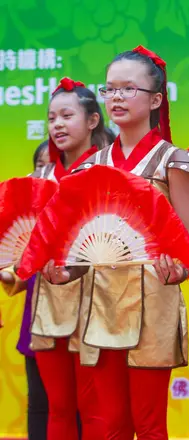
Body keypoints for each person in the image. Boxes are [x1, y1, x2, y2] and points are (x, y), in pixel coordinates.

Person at [43, 46, 189, 440]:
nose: (117, 97)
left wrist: (181, 268)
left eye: (127, 89)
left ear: (156, 99)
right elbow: (82, 241)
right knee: (110, 424)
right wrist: (65, 272)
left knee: (150, 424)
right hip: (100, 304)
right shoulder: (91, 166)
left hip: (154, 297)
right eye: (110, 89)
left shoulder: (173, 161)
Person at [21, 78, 106, 440]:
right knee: (57, 407)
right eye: (51, 117)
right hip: (48, 306)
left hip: (97, 306)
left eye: (67, 115)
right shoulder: (36, 181)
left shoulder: (109, 175)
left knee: (94, 408)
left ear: (92, 121)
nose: (57, 124)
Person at [0, 141, 51, 440]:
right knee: (39, 404)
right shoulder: (29, 222)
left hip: (81, 324)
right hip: (37, 319)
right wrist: (10, 277)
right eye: (40, 165)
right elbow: (22, 272)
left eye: (52, 165)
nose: (45, 172)